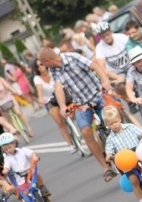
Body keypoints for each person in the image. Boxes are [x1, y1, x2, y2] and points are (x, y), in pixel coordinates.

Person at [37, 46, 117, 182]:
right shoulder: (54, 70)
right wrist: (62, 106)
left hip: (97, 95)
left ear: (47, 60)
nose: (42, 67)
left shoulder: (73, 57)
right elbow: (58, 88)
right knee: (86, 132)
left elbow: (95, 66)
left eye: (42, 64)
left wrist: (105, 80)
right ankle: (106, 167)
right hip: (81, 104)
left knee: (115, 114)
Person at [102, 106, 142, 202]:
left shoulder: (130, 127)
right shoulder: (110, 139)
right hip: (127, 162)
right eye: (111, 124)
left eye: (116, 122)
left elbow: (140, 133)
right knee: (134, 180)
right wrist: (109, 155)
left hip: (138, 153)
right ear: (107, 125)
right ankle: (141, 199)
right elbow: (109, 150)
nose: (114, 125)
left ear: (120, 119)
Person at [33, 59, 74, 152]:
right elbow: (39, 90)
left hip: (63, 96)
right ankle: (70, 144)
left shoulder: (53, 72)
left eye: (41, 64)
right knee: (60, 122)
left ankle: (75, 131)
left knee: (75, 112)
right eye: (38, 66)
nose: (40, 66)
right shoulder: (37, 78)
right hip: (50, 101)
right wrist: (40, 99)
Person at [0, 133, 50, 198]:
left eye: (9, 147)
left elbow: (32, 153)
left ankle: (42, 187)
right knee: (24, 193)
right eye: (5, 149)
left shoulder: (22, 150)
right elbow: (7, 166)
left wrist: (34, 157)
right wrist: (4, 171)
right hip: (19, 177)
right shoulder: (7, 158)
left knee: (37, 175)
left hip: (29, 171)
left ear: (14, 144)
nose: (8, 150)